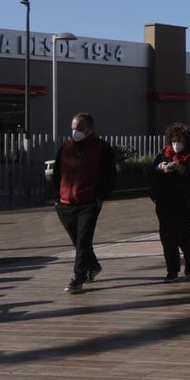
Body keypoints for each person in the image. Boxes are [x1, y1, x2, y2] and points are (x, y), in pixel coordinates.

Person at [53, 112, 116, 294]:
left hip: (88, 202)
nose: (75, 132)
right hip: (65, 203)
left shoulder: (101, 148)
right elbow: (57, 173)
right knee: (79, 241)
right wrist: (57, 198)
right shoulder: (66, 147)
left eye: (79, 128)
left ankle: (78, 278)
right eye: (73, 128)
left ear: (89, 129)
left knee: (83, 241)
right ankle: (93, 265)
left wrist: (99, 198)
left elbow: (109, 175)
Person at [149, 122, 190, 283]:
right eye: (173, 141)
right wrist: (160, 167)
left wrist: (182, 170)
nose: (176, 144)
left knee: (183, 234)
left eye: (180, 141)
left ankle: (189, 259)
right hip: (165, 201)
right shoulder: (162, 155)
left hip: (187, 202)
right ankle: (172, 270)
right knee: (167, 236)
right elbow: (151, 173)